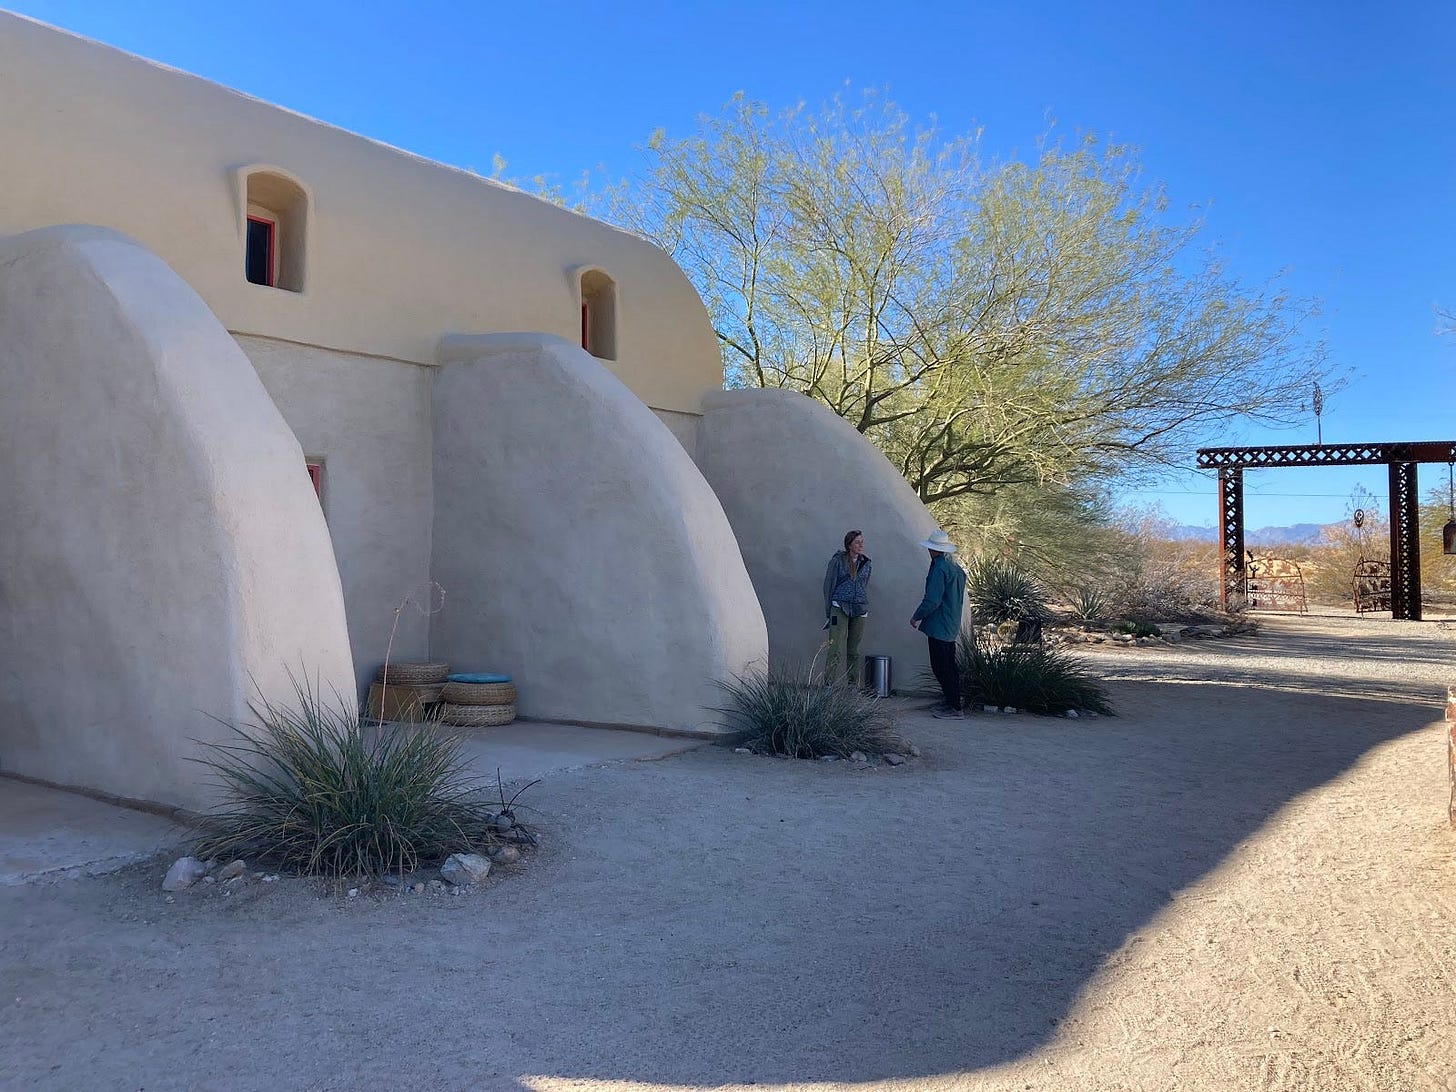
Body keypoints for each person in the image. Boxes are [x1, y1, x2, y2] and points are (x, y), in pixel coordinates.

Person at [910, 528, 966, 718]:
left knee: (940, 666)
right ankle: (953, 700)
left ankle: (954, 706)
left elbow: (932, 599)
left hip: (939, 624)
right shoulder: (956, 569)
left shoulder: (939, 568)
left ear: (933, 550)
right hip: (951, 623)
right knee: (949, 664)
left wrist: (917, 616)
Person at [822, 529, 871, 686]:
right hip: (839, 606)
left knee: (854, 650)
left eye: (862, 542)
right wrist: (829, 610)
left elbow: (864, 584)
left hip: (859, 608)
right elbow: (829, 585)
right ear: (849, 544)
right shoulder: (838, 561)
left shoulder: (866, 563)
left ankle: (852, 684)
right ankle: (828, 684)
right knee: (835, 647)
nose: (861, 545)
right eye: (857, 542)